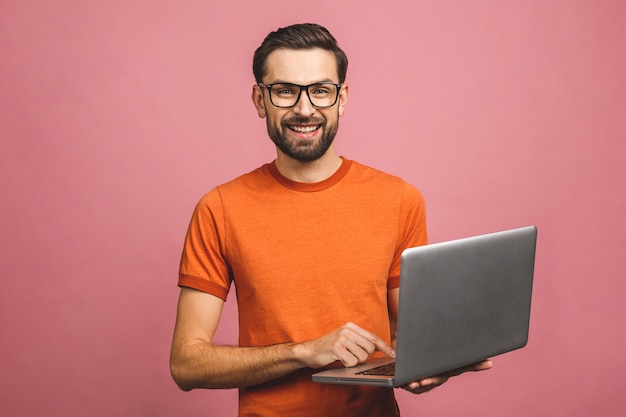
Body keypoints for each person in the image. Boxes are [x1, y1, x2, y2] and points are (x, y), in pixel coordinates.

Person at [170, 23, 492, 416]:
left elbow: (407, 341)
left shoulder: (399, 200)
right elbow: (186, 364)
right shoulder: (219, 208)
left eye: (320, 90)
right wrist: (304, 352)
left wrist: (430, 365)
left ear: (342, 99)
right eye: (285, 90)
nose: (304, 109)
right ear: (259, 100)